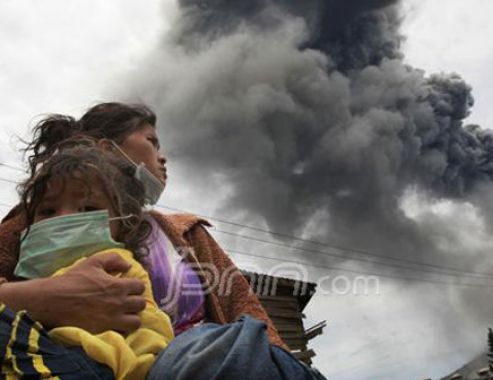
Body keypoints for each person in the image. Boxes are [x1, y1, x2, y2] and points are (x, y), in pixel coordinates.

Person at [0, 102, 323, 379]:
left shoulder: (188, 232)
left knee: (215, 351)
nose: (163, 157)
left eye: (88, 207)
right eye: (152, 141)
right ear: (103, 148)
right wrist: (41, 298)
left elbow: (247, 310)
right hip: (69, 362)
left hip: (199, 364)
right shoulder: (37, 217)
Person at [3, 141, 174, 379]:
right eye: (47, 211)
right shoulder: (24, 274)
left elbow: (150, 328)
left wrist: (132, 369)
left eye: (87, 208)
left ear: (123, 225)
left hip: (94, 365)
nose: (64, 218)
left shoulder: (117, 266)